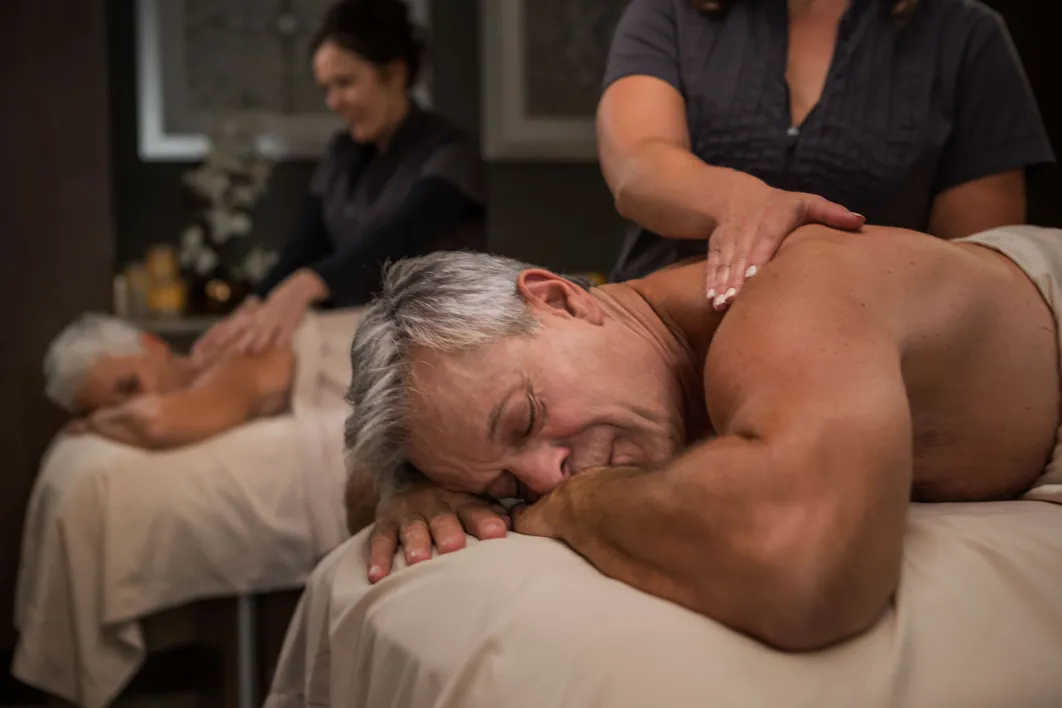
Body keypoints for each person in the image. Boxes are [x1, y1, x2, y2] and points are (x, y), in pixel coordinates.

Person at [341, 222, 1062, 651]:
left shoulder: (784, 303)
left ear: (559, 299)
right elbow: (357, 484)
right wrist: (412, 486)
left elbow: (808, 568)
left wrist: (581, 507)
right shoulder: (626, 367)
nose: (545, 477)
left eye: (527, 420)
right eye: (504, 487)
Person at [598, 0, 1055, 308]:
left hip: (865, 351)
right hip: (665, 330)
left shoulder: (965, 35)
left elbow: (980, 265)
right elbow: (639, 166)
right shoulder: (668, 12)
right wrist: (743, 204)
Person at [193, 0, 486, 360]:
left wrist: (309, 284)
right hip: (356, 327)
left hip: (431, 340)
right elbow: (305, 244)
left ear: (395, 74)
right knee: (237, 351)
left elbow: (399, 237)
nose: (333, 102)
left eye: (345, 83)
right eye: (326, 88)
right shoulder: (343, 153)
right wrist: (255, 303)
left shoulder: (452, 152)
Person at [44, 310, 356, 449]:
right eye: (104, 407)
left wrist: (97, 422)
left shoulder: (236, 356)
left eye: (129, 386)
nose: (135, 406)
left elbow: (160, 422)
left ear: (152, 344)